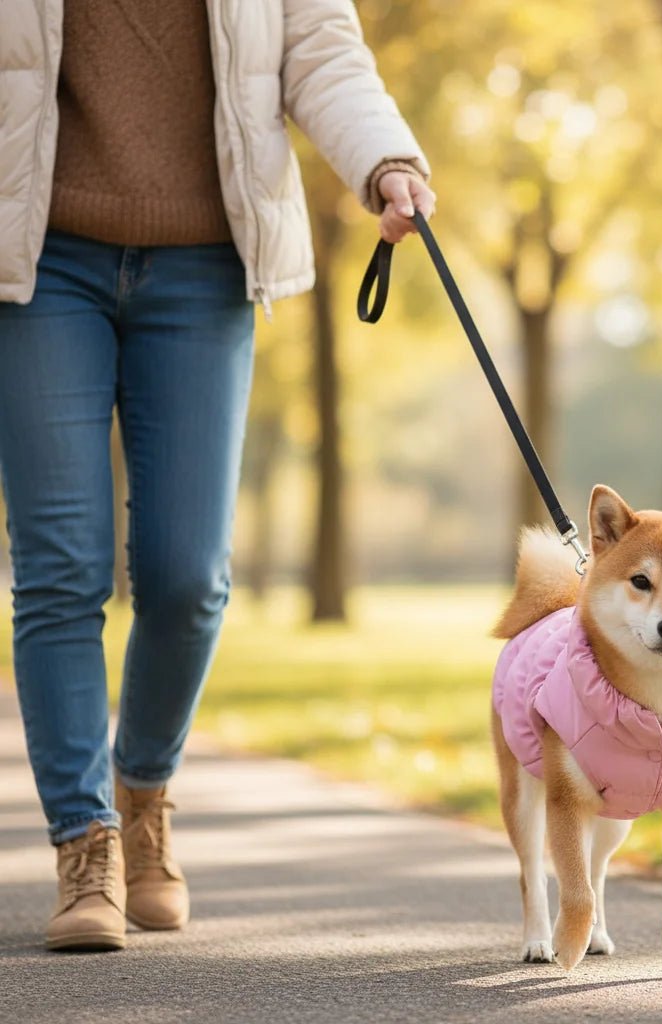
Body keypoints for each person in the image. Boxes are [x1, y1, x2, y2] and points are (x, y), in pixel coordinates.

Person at [0, 0, 434, 952]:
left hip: (204, 266)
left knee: (188, 576)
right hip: (40, 258)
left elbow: (321, 49)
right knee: (61, 566)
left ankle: (143, 795)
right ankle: (86, 844)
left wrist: (383, 160)